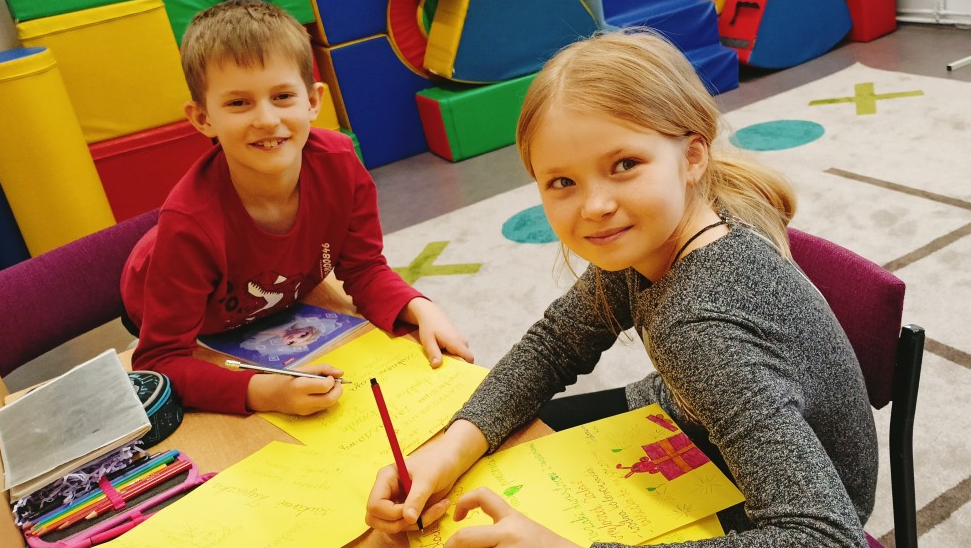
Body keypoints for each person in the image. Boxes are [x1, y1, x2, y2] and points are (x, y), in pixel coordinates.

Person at [365, 29, 877, 548]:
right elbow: (556, 344)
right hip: (695, 422)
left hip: (790, 506)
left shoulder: (700, 330)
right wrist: (450, 450)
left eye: (625, 165)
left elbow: (827, 535)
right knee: (501, 452)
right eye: (562, 182)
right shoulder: (651, 241)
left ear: (693, 156)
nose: (595, 207)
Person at [121, 0, 472, 417]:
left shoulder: (342, 165)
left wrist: (420, 307)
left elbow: (363, 269)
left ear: (312, 101)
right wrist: (260, 393)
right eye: (238, 103)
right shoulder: (189, 227)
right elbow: (158, 361)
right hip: (181, 314)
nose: (267, 119)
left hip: (277, 300)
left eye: (282, 96)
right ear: (202, 118)